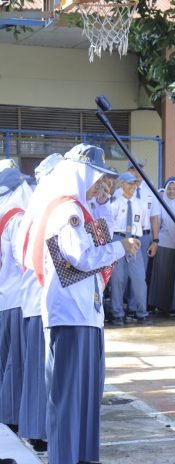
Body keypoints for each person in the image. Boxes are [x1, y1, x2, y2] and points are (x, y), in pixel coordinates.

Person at [20, 143, 137, 464]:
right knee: (70, 396)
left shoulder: (81, 210)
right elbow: (80, 258)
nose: (103, 186)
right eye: (99, 179)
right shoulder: (67, 210)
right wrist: (121, 247)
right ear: (80, 174)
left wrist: (102, 211)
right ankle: (66, 458)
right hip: (69, 315)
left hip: (86, 314)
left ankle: (83, 457)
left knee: (86, 397)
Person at [16, 154, 63, 453]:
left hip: (33, 298)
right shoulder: (54, 206)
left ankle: (37, 430)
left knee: (36, 373)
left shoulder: (36, 203)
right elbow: (65, 259)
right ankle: (41, 432)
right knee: (45, 375)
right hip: (45, 299)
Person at [0, 167, 32, 434]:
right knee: (16, 362)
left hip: (4, 296)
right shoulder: (17, 218)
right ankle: (11, 417)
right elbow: (24, 259)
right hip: (16, 297)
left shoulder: (3, 214)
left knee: (6, 361)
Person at [109, 172, 151, 325]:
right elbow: (108, 226)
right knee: (118, 278)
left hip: (134, 241)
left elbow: (143, 225)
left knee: (139, 278)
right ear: (121, 185)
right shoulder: (114, 203)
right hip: (118, 239)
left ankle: (142, 313)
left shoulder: (140, 204)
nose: (132, 186)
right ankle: (118, 313)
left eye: (134, 183)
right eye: (129, 183)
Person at [147, 177, 175, 316]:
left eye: (174, 189)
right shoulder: (160, 202)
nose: (171, 191)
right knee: (163, 276)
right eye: (169, 189)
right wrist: (156, 240)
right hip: (164, 243)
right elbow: (156, 221)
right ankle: (161, 305)